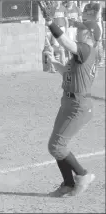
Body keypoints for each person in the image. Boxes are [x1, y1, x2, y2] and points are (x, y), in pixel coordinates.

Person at [39, 2, 101, 197]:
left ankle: (82, 175)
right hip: (68, 102)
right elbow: (65, 71)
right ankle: (67, 184)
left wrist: (50, 23)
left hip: (78, 106)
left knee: (57, 146)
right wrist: (53, 60)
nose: (78, 31)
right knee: (55, 145)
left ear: (90, 36)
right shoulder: (81, 55)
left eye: (82, 30)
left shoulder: (86, 49)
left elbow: (67, 43)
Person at [50, 1, 69, 67]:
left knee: (62, 46)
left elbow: (66, 21)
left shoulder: (63, 8)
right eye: (56, 1)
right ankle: (57, 61)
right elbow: (51, 19)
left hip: (62, 28)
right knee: (55, 45)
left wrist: (66, 30)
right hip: (55, 28)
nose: (57, 2)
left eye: (58, 0)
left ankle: (63, 63)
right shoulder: (52, 9)